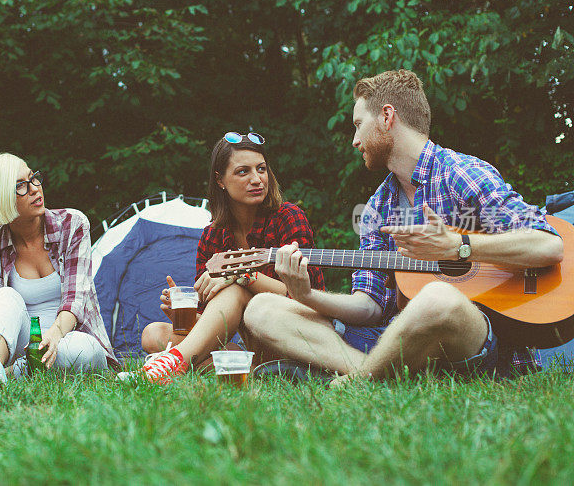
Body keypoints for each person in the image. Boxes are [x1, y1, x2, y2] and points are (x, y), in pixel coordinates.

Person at [242, 69, 564, 383]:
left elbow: (548, 245)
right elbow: (369, 307)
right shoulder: (376, 208)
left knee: (438, 296)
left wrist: (459, 246)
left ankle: (358, 379)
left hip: (478, 341)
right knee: (262, 309)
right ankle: (373, 374)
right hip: (399, 341)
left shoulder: (460, 174)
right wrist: (306, 294)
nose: (354, 140)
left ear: (386, 116)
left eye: (358, 124)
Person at [122, 133, 325, 384]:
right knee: (153, 334)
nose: (256, 179)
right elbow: (215, 322)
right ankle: (241, 369)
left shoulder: (288, 217)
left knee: (235, 291)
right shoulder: (213, 235)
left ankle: (173, 366)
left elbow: (311, 298)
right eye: (243, 172)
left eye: (261, 169)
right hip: (251, 347)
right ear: (220, 181)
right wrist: (180, 316)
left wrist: (243, 276)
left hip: (295, 337)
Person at [0, 153, 118, 386]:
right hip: (23, 345)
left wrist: (54, 334)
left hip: (70, 338)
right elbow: (2, 319)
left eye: (34, 179)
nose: (34, 189)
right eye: (20, 186)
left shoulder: (72, 224)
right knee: (6, 295)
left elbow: (75, 299)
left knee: (82, 351)